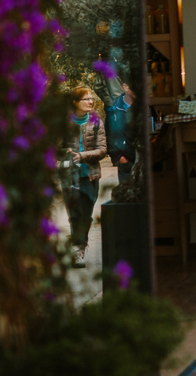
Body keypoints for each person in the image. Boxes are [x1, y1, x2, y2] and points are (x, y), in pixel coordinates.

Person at [62, 86, 108, 267]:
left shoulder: (96, 121)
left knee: (86, 215)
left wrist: (82, 156)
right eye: (86, 99)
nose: (90, 102)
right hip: (69, 175)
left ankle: (80, 244)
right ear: (75, 102)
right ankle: (78, 250)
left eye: (91, 99)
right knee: (74, 214)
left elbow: (103, 149)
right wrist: (65, 152)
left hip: (90, 175)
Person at [105, 81, 137, 184]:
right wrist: (119, 157)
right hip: (125, 162)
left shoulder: (143, 106)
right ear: (125, 87)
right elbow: (109, 135)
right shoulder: (114, 109)